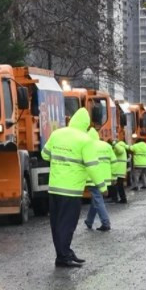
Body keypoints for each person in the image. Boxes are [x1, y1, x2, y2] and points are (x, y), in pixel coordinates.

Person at [41, 108, 105, 268]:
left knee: (56, 224)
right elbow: (92, 166)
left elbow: (45, 155)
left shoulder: (57, 134)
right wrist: (102, 187)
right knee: (67, 224)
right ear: (85, 124)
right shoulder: (85, 140)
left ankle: (64, 253)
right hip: (71, 191)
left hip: (54, 188)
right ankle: (63, 257)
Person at [84, 128, 113, 231]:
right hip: (105, 178)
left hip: (93, 179)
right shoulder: (107, 146)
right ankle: (89, 221)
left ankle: (106, 223)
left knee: (98, 200)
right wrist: (113, 177)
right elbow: (113, 161)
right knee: (96, 200)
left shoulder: (87, 146)